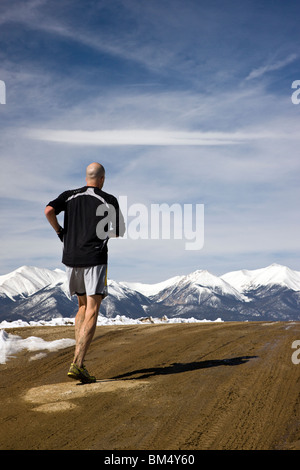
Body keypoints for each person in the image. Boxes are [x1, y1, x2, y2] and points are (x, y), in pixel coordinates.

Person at [45, 162, 125, 383]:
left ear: (87, 177)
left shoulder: (69, 196)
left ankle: (77, 360)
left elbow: (49, 210)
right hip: (94, 258)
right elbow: (119, 231)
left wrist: (60, 231)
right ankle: (78, 364)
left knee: (81, 306)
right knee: (92, 308)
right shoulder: (108, 199)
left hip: (71, 259)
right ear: (102, 179)